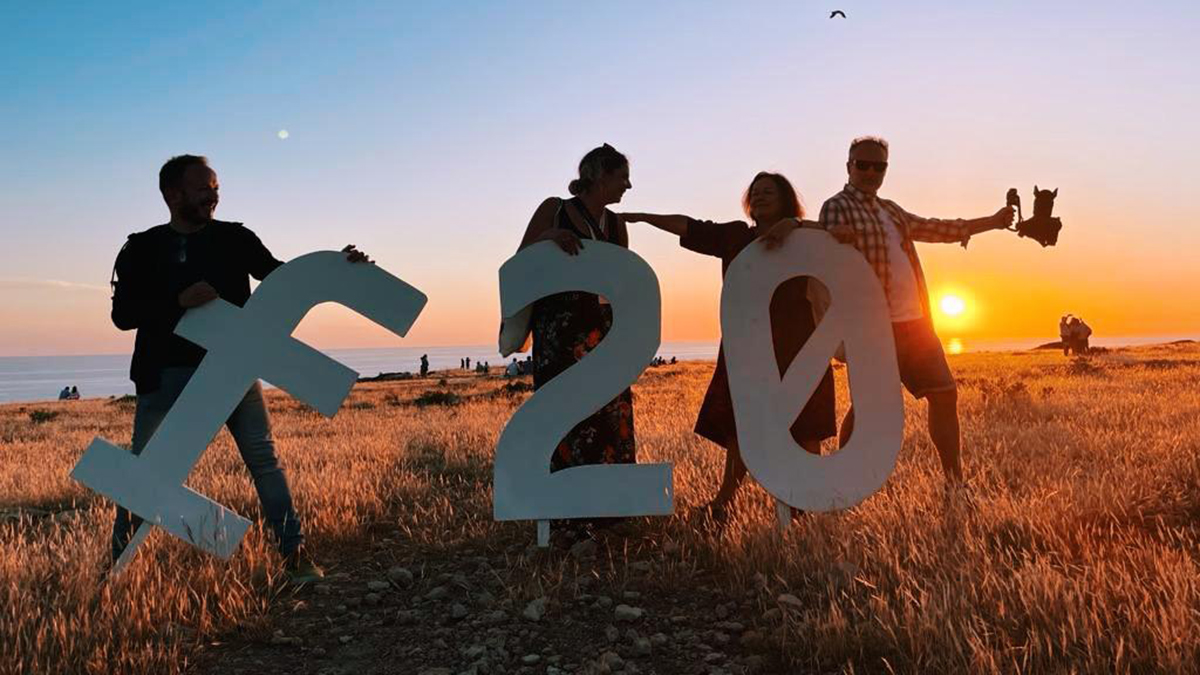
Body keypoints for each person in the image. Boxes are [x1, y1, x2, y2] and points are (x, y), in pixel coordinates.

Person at [108, 154, 373, 583]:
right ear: (172, 194)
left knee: (265, 462)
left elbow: (283, 278)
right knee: (142, 471)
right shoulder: (142, 247)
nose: (213, 195)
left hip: (234, 372)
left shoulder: (235, 238)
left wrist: (339, 269)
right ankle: (115, 570)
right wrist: (176, 301)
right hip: (165, 377)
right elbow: (123, 315)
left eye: (215, 187)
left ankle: (295, 556)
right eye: (202, 188)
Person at [623, 171, 838, 523]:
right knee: (742, 424)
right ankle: (725, 501)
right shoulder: (737, 236)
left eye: (770, 191)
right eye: (756, 192)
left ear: (785, 199)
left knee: (806, 422)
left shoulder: (803, 237)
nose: (761, 196)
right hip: (747, 342)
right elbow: (690, 227)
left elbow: (839, 237)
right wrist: (644, 217)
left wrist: (796, 225)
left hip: (799, 340)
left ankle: (805, 499)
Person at [812, 136, 1013, 492]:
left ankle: (955, 482)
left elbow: (937, 228)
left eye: (880, 166)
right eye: (863, 165)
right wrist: (834, 237)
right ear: (848, 167)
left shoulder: (891, 210)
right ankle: (843, 480)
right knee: (868, 408)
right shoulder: (836, 206)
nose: (871, 172)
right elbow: (824, 251)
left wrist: (993, 221)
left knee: (944, 394)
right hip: (871, 328)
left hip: (915, 323)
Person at [510, 144, 638, 540]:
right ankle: (566, 514)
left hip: (605, 330)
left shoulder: (616, 224)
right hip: (560, 330)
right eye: (622, 177)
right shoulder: (555, 209)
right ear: (600, 174)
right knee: (565, 417)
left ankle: (610, 513)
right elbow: (519, 262)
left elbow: (623, 281)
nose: (628, 185)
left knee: (611, 415)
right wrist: (550, 236)